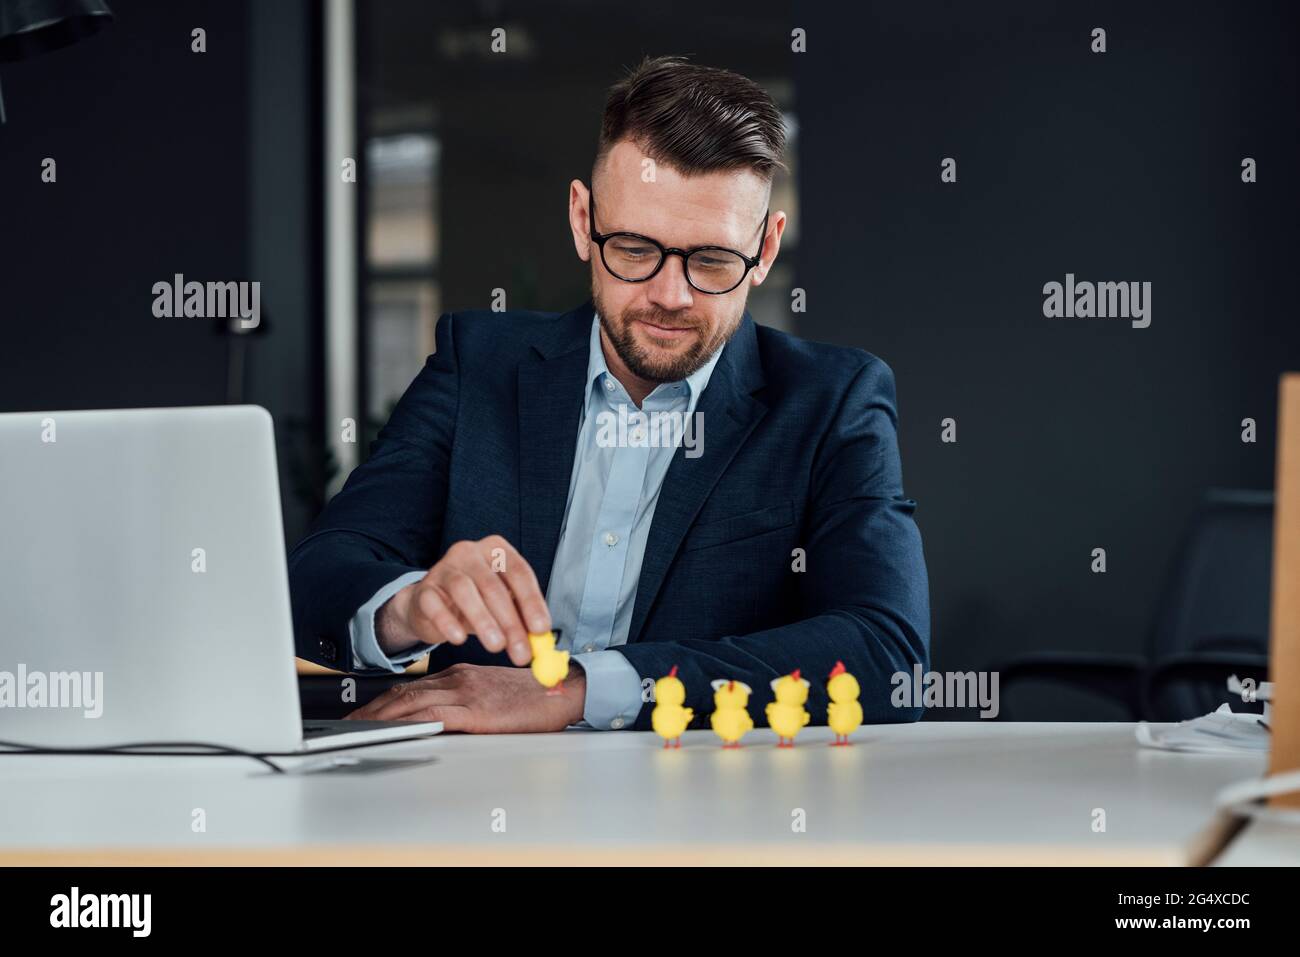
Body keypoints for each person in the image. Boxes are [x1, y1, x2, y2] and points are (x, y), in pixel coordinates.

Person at [289, 55, 930, 733]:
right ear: (581, 219)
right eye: (633, 249)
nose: (669, 295)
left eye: (711, 261)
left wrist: (581, 687)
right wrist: (410, 606)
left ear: (766, 249)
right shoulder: (476, 364)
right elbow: (318, 577)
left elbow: (888, 652)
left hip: (706, 815)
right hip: (470, 807)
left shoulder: (831, 401)